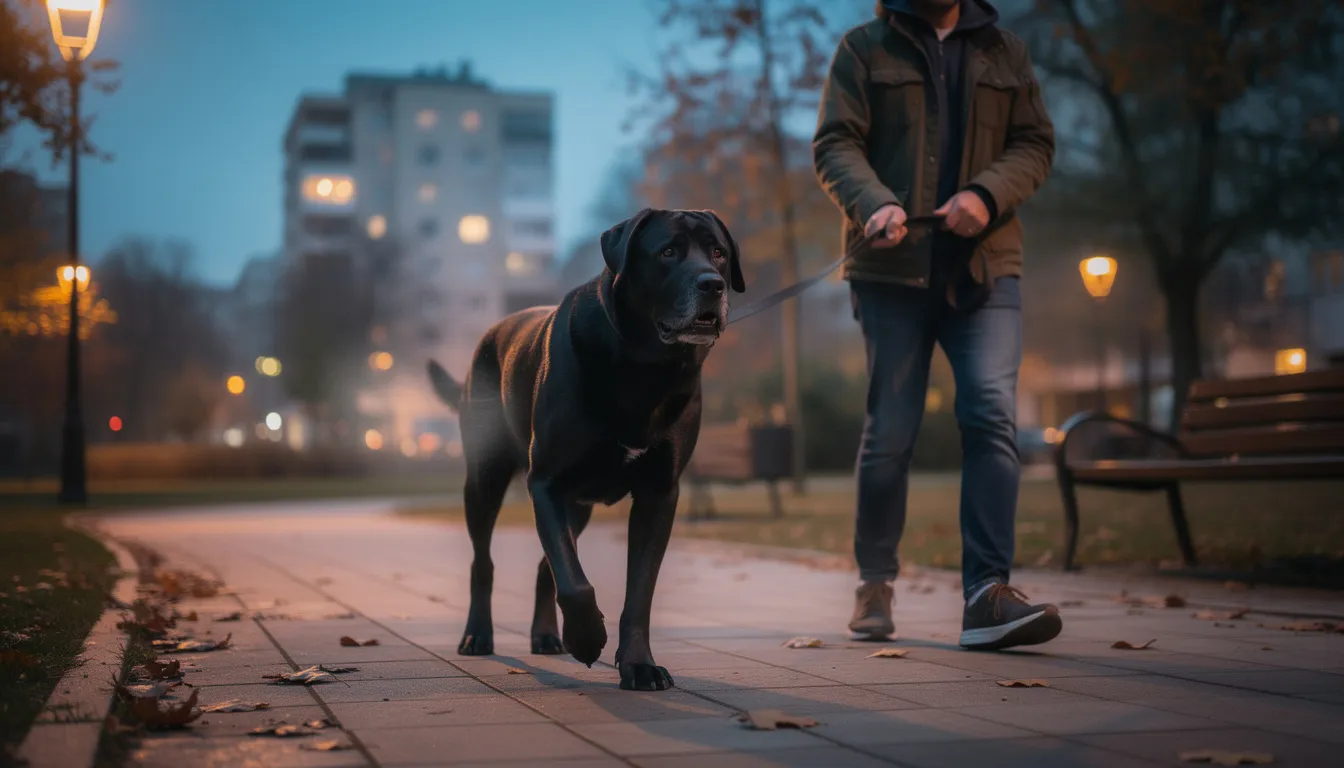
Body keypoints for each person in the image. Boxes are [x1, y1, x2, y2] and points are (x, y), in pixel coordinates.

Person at [812, 0, 1060, 650]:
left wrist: (985, 194)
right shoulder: (863, 47)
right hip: (891, 270)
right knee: (891, 430)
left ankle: (987, 594)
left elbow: (1035, 142)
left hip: (987, 266)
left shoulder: (1006, 51)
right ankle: (875, 582)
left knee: (991, 414)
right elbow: (835, 141)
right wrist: (875, 203)